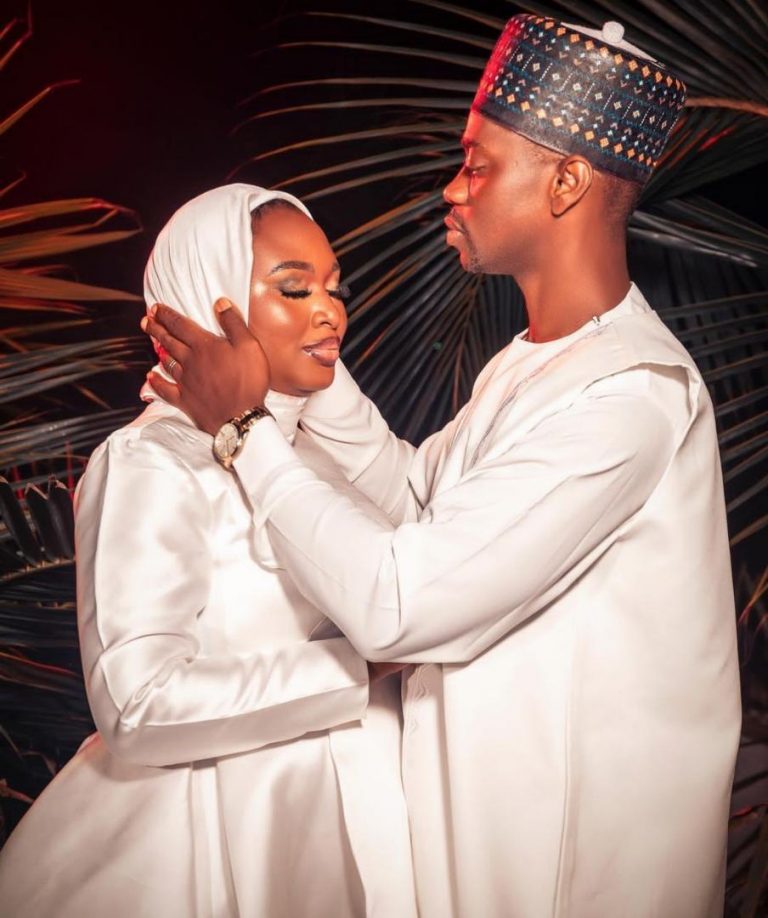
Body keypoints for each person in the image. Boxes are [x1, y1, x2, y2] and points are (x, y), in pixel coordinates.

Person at [144, 16, 741, 918]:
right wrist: (298, 354)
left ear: (567, 182)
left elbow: (399, 604)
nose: (453, 190)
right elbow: (415, 498)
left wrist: (244, 427)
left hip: (563, 879)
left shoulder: (629, 397)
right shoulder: (534, 362)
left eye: (478, 164)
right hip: (474, 852)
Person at [0, 184, 417, 918]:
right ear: (209, 301)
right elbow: (138, 703)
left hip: (363, 814)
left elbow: (429, 532)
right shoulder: (149, 459)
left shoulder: (314, 459)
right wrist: (363, 666)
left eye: (335, 288)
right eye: (295, 289)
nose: (331, 310)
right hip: (209, 837)